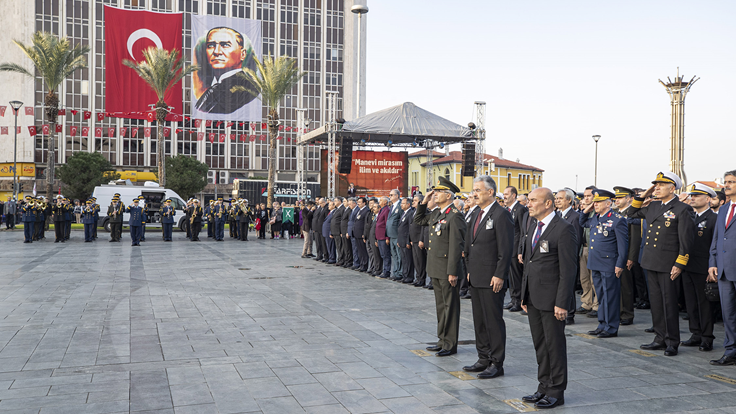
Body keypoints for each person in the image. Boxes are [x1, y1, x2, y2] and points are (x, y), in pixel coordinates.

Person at [519, 188, 577, 409]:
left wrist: (562, 302)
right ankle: (543, 386)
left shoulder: (563, 229)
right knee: (540, 345)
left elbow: (568, 270)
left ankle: (556, 391)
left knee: (554, 345)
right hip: (534, 297)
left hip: (553, 300)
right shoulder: (533, 225)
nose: (529, 204)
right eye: (529, 200)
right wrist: (524, 294)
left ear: (549, 204)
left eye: (534, 200)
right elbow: (530, 264)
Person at [630, 172, 695, 357]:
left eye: (660, 185)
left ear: (672, 188)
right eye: (655, 185)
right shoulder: (653, 206)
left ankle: (672, 341)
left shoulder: (682, 209)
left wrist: (680, 264)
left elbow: (686, 240)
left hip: (668, 264)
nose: (656, 188)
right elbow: (631, 213)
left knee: (669, 303)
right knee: (656, 303)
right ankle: (659, 338)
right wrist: (645, 194)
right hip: (651, 261)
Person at [462, 176, 514, 379]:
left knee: (493, 321)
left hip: (492, 278)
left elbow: (505, 249)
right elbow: (470, 245)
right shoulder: (476, 213)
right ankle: (483, 357)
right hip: (476, 275)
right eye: (474, 190)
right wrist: (469, 269)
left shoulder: (501, 215)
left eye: (478, 190)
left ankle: (496, 362)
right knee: (480, 320)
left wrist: (500, 274)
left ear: (490, 192)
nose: (474, 193)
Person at [413, 177, 466, 357]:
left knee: (450, 306)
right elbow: (419, 220)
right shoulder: (437, 214)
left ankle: (450, 344)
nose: (435, 194)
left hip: (447, 269)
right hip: (435, 266)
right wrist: (425, 201)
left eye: (438, 192)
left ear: (448, 196)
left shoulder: (455, 215)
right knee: (440, 306)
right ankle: (442, 340)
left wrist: (453, 271)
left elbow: (456, 246)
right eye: (434, 191)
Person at [579, 189, 628, 338]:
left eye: (598, 202)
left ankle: (611, 327)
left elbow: (623, 245)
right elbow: (582, 221)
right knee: (600, 295)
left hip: (609, 264)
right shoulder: (596, 218)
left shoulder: (617, 219)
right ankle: (602, 324)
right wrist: (588, 208)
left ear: (609, 203)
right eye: (595, 202)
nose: (595, 204)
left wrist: (620, 264)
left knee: (610, 296)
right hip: (596, 263)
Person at [680, 183, 717, 351]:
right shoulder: (688, 216)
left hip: (704, 268)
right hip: (687, 265)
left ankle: (707, 337)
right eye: (692, 196)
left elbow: (714, 246)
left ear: (708, 199)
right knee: (691, 303)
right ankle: (695, 333)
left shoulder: (714, 218)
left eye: (697, 196)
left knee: (704, 304)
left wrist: (713, 266)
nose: (692, 198)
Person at [194, 26, 259, 114]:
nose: (216, 52)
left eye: (225, 45)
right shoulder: (211, 87)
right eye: (211, 45)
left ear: (242, 54)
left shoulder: (250, 87)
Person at [709, 169, 736, 365]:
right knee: (728, 313)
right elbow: (717, 238)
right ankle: (731, 350)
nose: (726, 185)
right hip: (724, 270)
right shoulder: (724, 209)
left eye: (731, 182)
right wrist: (713, 263)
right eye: (726, 182)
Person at [613, 186, 643, 324]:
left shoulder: (631, 215)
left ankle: (627, 314)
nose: (617, 200)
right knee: (616, 287)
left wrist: (631, 257)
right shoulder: (614, 213)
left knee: (626, 287)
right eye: (616, 198)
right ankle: (618, 312)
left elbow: (635, 239)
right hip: (614, 255)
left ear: (629, 199)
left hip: (625, 256)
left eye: (620, 198)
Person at [555, 188, 583, 325]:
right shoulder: (557, 215)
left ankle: (570, 314)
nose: (557, 201)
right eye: (556, 198)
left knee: (569, 286)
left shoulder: (574, 217)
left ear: (569, 200)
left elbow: (576, 240)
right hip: (557, 257)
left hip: (568, 257)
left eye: (560, 198)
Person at [504, 186, 528, 312]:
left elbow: (523, 231)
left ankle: (518, 301)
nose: (504, 196)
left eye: (506, 194)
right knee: (511, 276)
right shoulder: (507, 210)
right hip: (508, 246)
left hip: (515, 246)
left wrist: (520, 250)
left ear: (513, 195)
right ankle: (513, 299)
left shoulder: (520, 209)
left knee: (516, 276)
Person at [576, 186, 600, 319]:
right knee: (584, 278)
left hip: (594, 249)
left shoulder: (597, 212)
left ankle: (596, 305)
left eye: (589, 196)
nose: (586, 198)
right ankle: (587, 303)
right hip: (584, 248)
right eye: (584, 196)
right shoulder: (584, 212)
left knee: (594, 279)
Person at [409, 195, 429, 287]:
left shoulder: (423, 211)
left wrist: (421, 239)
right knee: (416, 260)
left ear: (421, 202)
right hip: (414, 239)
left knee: (421, 261)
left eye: (415, 200)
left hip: (419, 239)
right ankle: (418, 278)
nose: (413, 202)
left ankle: (422, 279)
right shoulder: (414, 211)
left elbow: (423, 227)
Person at [386, 189, 403, 280]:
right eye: (389, 195)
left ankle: (400, 273)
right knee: (394, 255)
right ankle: (395, 272)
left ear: (397, 195)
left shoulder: (400, 206)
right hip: (391, 234)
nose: (390, 196)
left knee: (399, 255)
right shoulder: (392, 206)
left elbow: (401, 220)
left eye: (391, 195)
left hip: (397, 234)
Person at [375, 196, 391, 278]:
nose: (379, 201)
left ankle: (386, 271)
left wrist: (387, 237)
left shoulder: (387, 210)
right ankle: (384, 270)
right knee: (382, 255)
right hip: (379, 236)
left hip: (384, 237)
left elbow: (386, 224)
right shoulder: (381, 209)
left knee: (386, 255)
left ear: (385, 202)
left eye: (381, 200)